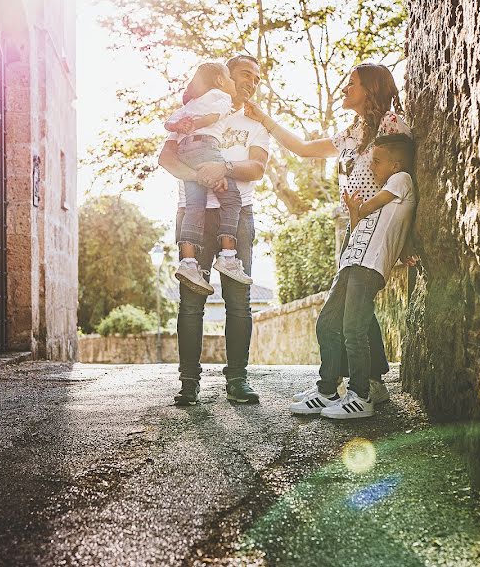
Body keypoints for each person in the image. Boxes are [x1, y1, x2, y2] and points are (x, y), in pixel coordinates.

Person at [246, 62, 416, 404]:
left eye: (351, 84)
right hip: (355, 231)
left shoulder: (392, 125)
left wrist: (408, 239)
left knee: (349, 314)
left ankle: (350, 386)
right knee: (355, 312)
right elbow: (304, 148)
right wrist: (264, 119)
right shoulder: (352, 132)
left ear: (370, 89)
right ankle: (362, 382)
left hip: (378, 234)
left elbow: (408, 181)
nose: (344, 89)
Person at [158, 55, 268, 406]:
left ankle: (237, 379)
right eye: (245, 75)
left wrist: (221, 166)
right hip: (193, 214)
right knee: (191, 304)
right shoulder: (199, 107)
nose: (251, 82)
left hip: (237, 218)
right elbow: (167, 157)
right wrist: (199, 175)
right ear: (226, 78)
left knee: (238, 303)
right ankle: (188, 382)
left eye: (257, 78)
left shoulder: (256, 123)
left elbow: (256, 168)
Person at [290, 133, 417, 418]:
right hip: (351, 263)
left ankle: (361, 395)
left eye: (378, 161)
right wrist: (353, 211)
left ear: (396, 164)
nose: (372, 167)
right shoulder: (387, 189)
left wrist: (360, 207)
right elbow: (360, 222)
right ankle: (327, 390)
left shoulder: (401, 180)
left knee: (353, 330)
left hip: (370, 267)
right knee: (327, 323)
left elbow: (368, 207)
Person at [165, 62, 252, 294]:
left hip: (185, 153)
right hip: (206, 147)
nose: (234, 83)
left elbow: (168, 123)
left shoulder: (191, 103)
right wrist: (195, 124)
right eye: (231, 79)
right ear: (221, 81)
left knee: (195, 206)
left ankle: (188, 263)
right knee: (232, 199)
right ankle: (228, 256)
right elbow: (214, 117)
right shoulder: (220, 96)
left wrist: (181, 125)